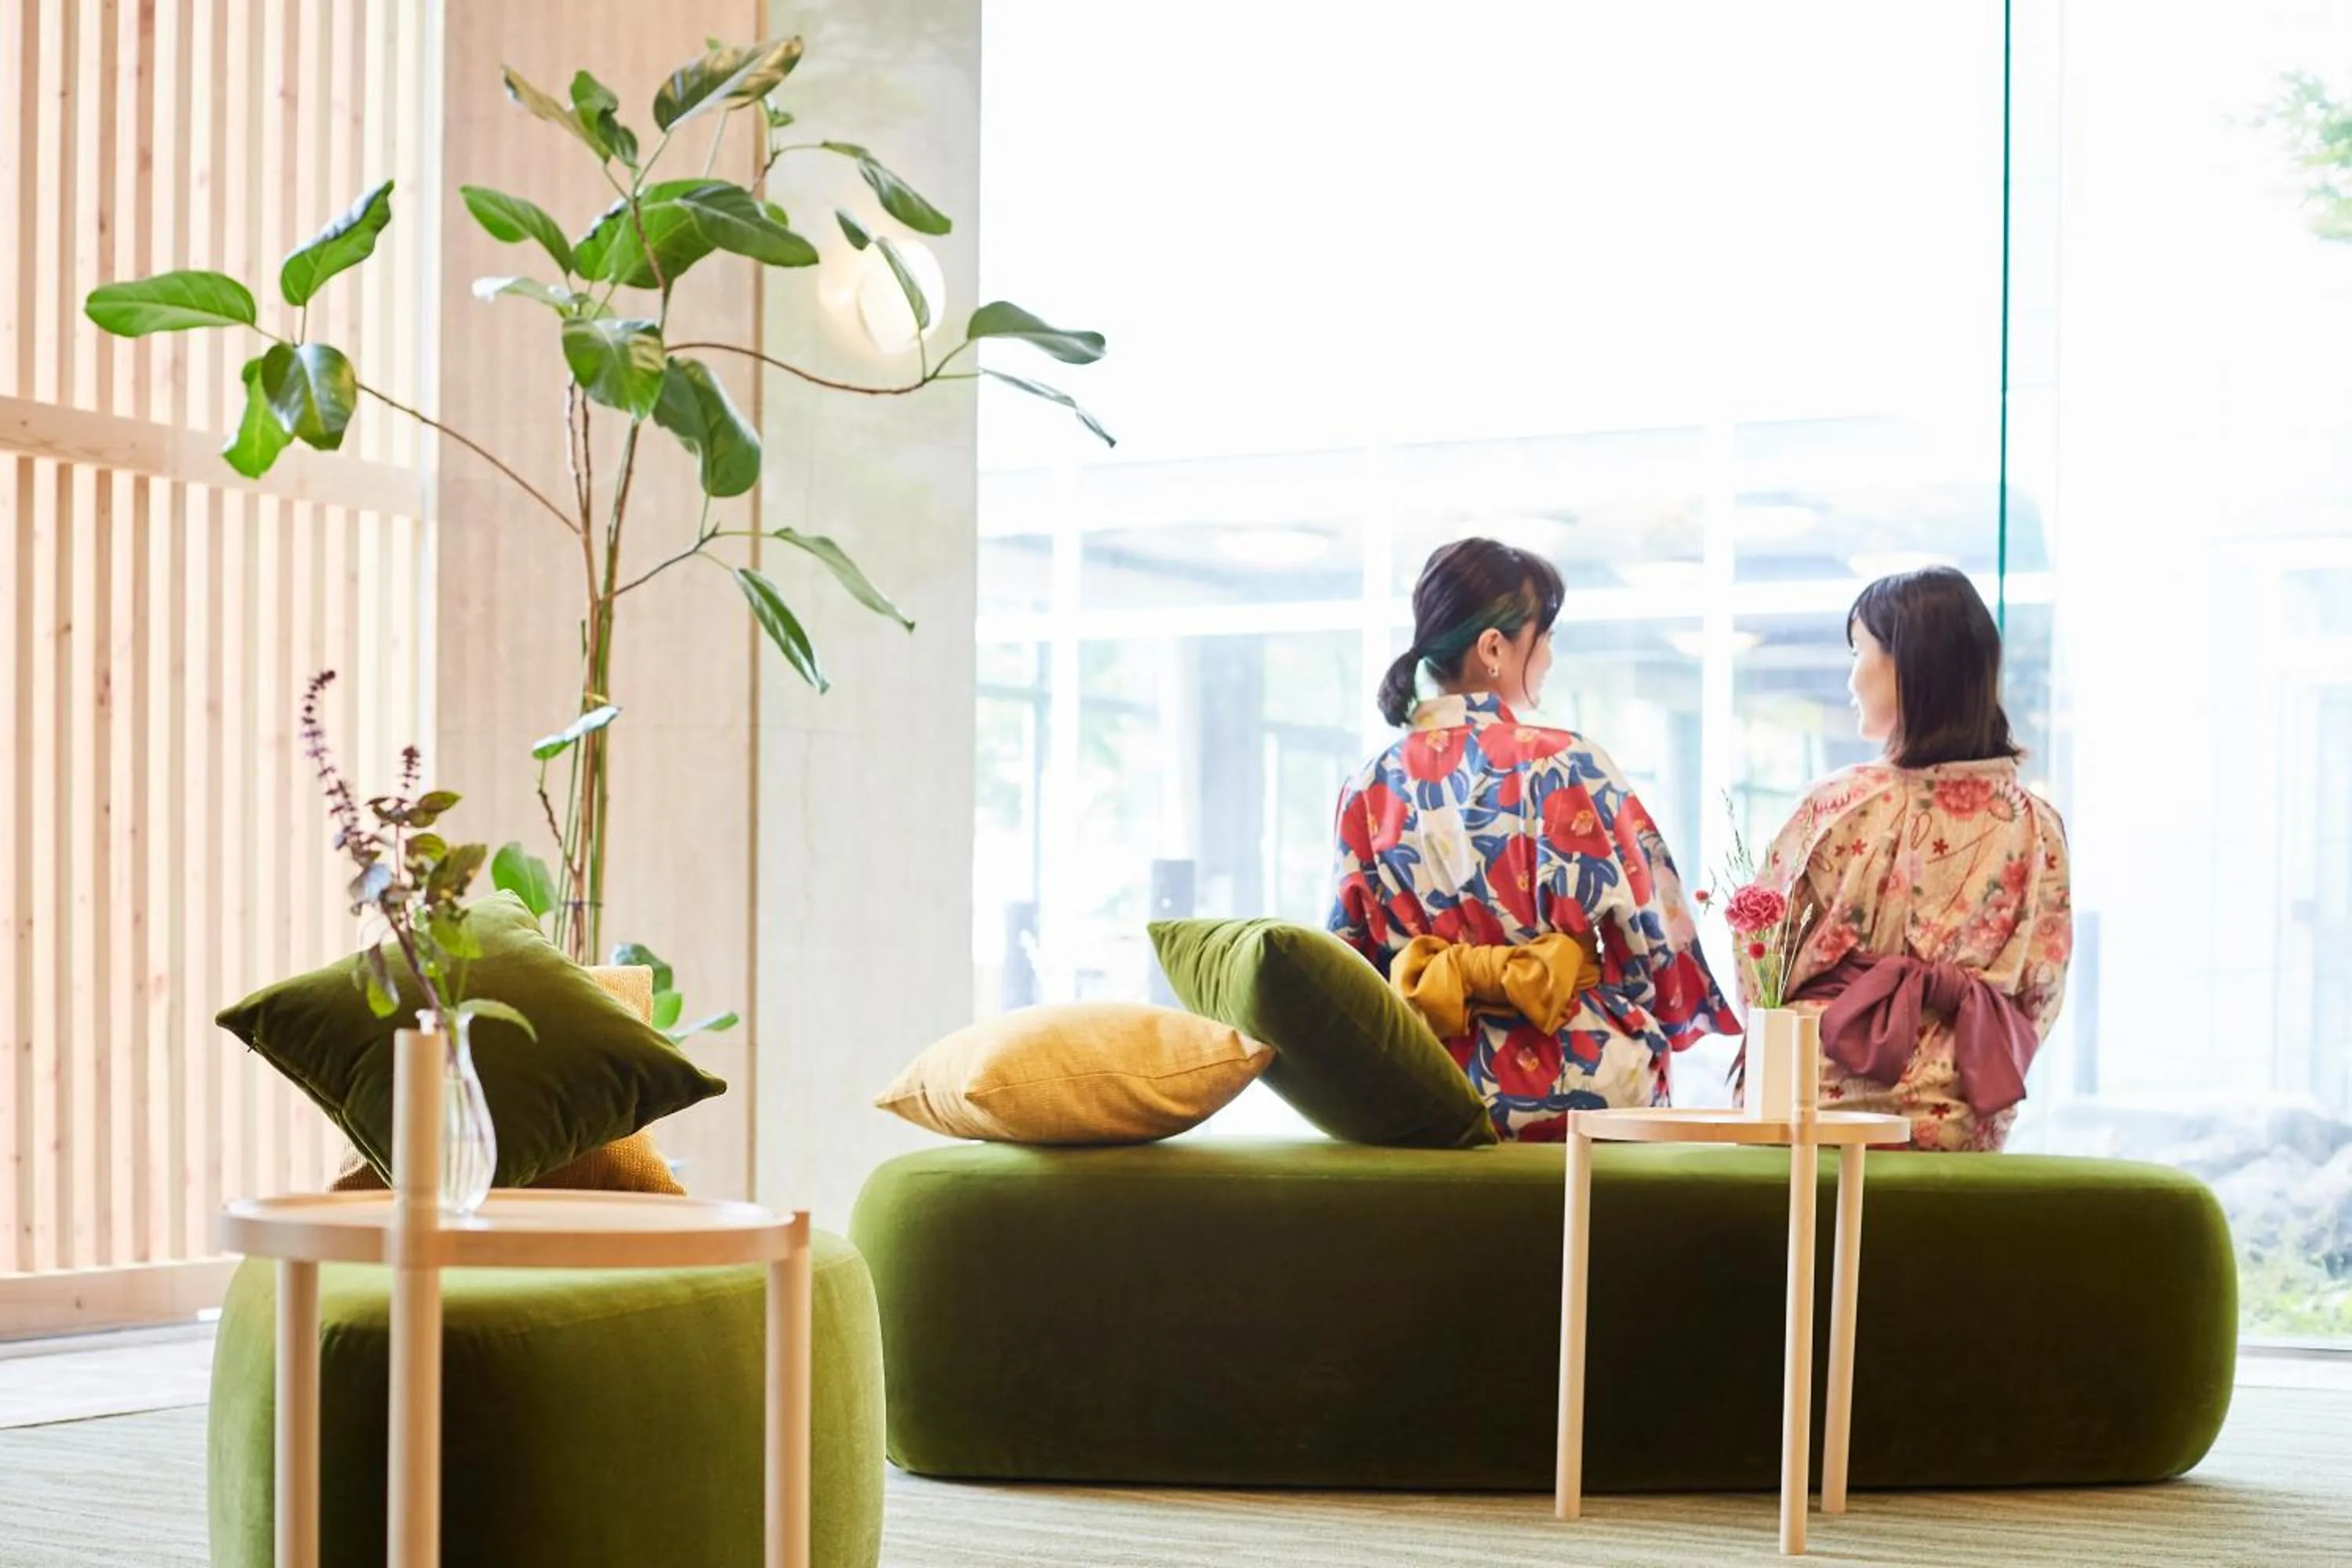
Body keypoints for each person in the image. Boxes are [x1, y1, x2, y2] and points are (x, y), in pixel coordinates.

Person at [1327, 538, 1736, 1139]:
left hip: (1431, 1087)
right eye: (1544, 637)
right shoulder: (1567, 763)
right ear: (1495, 647)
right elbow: (1655, 934)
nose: (1548, 658)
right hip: (1580, 1087)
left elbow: (1349, 960)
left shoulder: (1367, 785)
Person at [1758, 566, 2073, 1152]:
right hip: (1961, 1117)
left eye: (1860, 652)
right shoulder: (2036, 827)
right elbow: (2041, 990)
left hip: (1820, 1109)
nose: (1852, 679)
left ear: (1906, 663)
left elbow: (1761, 964)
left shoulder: (1839, 807)